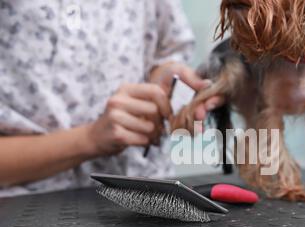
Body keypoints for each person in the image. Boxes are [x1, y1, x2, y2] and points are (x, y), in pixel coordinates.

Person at [0, 0, 221, 197]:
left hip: (146, 196)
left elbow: (166, 48)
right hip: (26, 212)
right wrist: (89, 139)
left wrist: (162, 81)